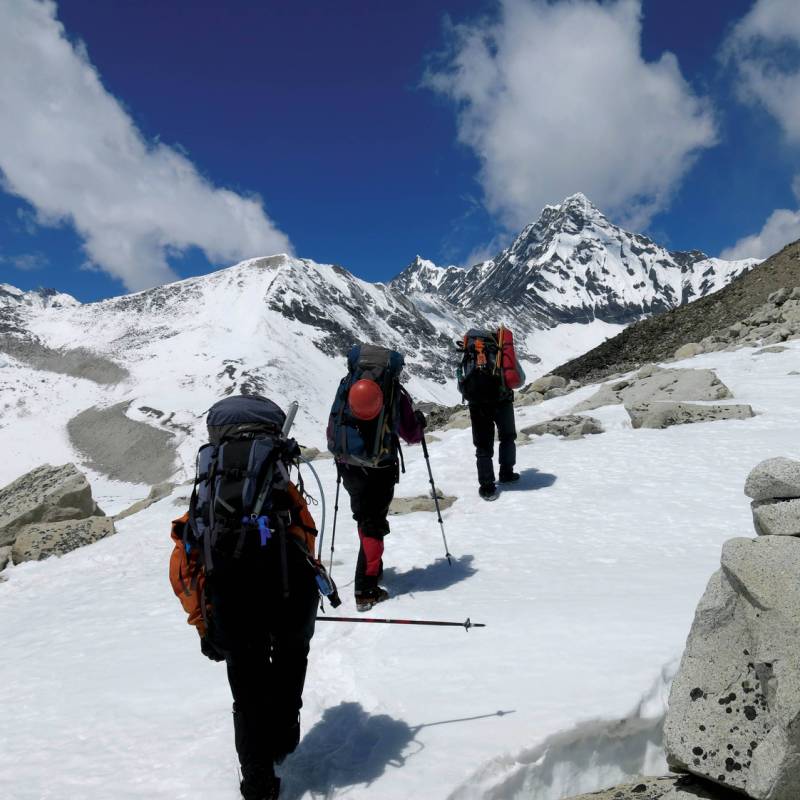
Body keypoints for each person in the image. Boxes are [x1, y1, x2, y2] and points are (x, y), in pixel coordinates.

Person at [170, 394, 327, 800]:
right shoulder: (283, 495)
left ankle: (257, 781)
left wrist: (206, 625)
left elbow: (185, 563)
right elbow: (307, 539)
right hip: (289, 589)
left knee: (247, 684)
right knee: (292, 657)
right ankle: (285, 734)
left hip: (230, 593)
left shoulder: (207, 500)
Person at [327, 344, 425, 611]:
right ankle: (366, 588)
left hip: (347, 464)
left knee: (364, 516)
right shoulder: (393, 391)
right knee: (374, 523)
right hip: (380, 467)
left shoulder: (347, 386)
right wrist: (419, 423)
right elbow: (412, 434)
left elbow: (333, 423)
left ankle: (374, 567)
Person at [457, 326, 524, 501]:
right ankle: (507, 473)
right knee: (507, 437)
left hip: (477, 404)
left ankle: (487, 487)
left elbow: (461, 379)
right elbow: (519, 378)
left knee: (483, 446)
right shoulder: (499, 347)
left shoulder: (469, 351)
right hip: (502, 400)